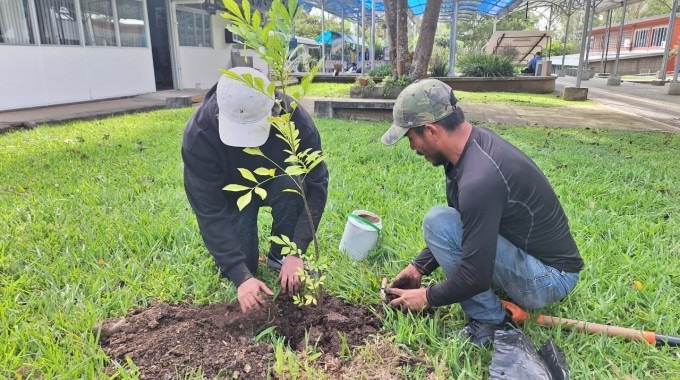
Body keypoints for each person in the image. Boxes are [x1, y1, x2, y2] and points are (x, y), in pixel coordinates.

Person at [381, 79, 583, 346]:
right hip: (536, 260)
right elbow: (466, 224)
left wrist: (426, 297)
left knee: (437, 222)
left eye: (411, 138)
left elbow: (474, 276)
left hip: (549, 278)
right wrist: (418, 268)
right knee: (443, 221)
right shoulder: (469, 150)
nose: (412, 148)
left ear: (430, 130)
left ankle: (491, 319)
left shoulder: (480, 178)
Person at [182, 67, 329, 313]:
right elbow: (209, 211)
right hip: (233, 194)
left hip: (280, 182)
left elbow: (315, 184)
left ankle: (281, 255)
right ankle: (245, 265)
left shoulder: (295, 121)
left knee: (292, 183)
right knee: (245, 265)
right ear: (220, 114)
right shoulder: (199, 136)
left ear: (273, 109)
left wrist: (297, 250)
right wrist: (241, 276)